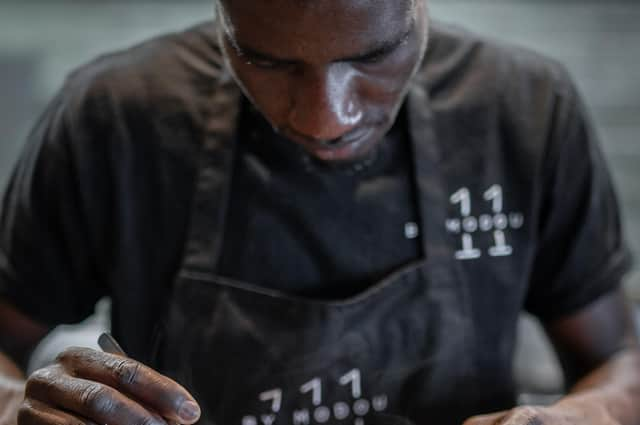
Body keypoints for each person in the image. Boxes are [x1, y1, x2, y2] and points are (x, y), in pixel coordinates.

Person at [0, 0, 639, 424]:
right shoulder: (114, 118)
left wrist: (579, 415)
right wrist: (18, 405)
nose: (325, 118)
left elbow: (619, 364)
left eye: (371, 56)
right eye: (267, 61)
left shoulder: (524, 108)